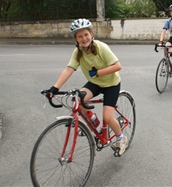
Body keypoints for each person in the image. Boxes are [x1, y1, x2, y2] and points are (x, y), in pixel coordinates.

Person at [48, 18, 127, 156]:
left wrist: (99, 72)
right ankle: (94, 122)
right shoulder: (78, 52)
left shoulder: (101, 47)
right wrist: (54, 88)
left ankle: (121, 138)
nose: (84, 38)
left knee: (108, 117)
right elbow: (68, 69)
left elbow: (117, 66)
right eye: (80, 36)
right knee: (78, 99)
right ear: (76, 39)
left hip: (111, 84)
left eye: (86, 34)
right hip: (95, 83)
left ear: (91, 34)